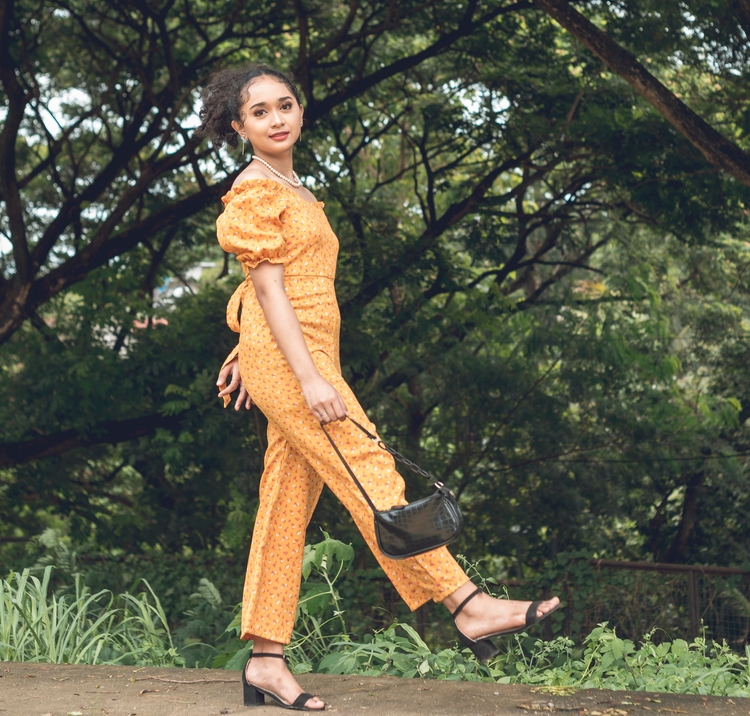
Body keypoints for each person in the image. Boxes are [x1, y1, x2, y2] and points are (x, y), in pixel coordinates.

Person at [196, 64, 560, 712]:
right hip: (298, 364)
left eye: (286, 104)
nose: (278, 118)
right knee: (369, 470)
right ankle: (466, 604)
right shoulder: (254, 189)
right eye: (260, 112)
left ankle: (265, 663)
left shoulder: (294, 186)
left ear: (300, 111)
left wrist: (244, 346)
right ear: (238, 126)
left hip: (288, 354)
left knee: (284, 503)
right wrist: (305, 378)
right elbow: (270, 287)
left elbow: (271, 282)